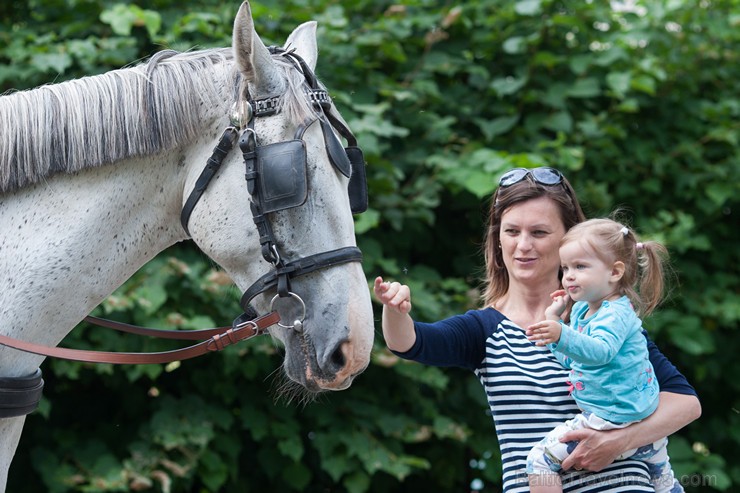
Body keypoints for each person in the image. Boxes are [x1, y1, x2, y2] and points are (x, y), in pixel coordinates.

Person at [373, 167, 700, 493]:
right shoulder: (484, 330)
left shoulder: (601, 316)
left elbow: (685, 402)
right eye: (512, 231)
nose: (523, 245)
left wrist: (618, 441)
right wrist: (395, 310)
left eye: (539, 233)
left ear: (567, 239)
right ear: (497, 237)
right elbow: (410, 343)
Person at [525, 218, 680, 493]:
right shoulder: (585, 310)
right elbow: (573, 361)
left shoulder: (617, 312)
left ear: (615, 272)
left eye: (580, 266)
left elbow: (600, 352)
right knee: (664, 479)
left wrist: (562, 334)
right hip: (631, 416)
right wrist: (555, 322)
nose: (569, 275)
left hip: (611, 416)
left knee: (539, 460)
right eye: (565, 268)